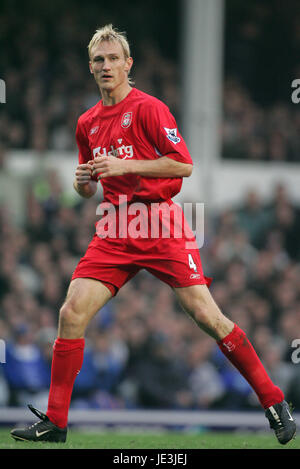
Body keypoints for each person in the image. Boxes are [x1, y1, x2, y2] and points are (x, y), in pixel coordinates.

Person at [11, 24, 296, 445]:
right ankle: (55, 421)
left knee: (207, 317)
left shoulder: (149, 109)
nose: (106, 65)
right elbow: (88, 185)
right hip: (114, 227)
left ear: (129, 64)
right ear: (90, 68)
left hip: (159, 222)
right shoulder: (87, 122)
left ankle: (274, 400)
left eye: (113, 58)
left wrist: (126, 166)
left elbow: (183, 165)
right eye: (98, 60)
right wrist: (82, 183)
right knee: (71, 314)